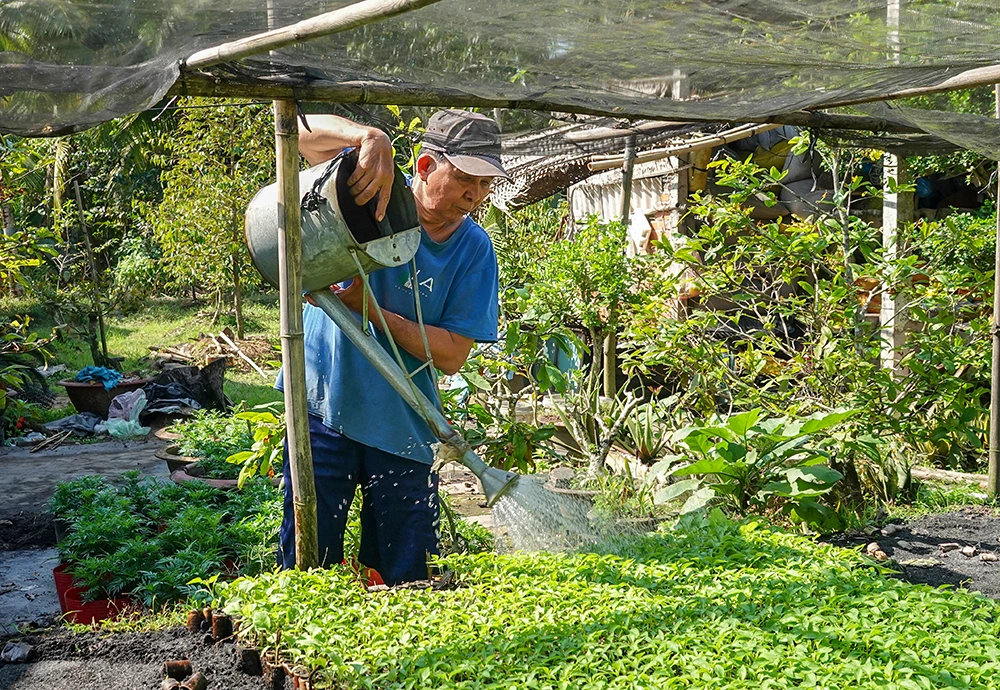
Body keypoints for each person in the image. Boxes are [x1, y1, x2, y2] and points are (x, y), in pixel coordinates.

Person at [276, 109, 507, 585]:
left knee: (407, 576)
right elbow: (297, 133)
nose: (476, 195)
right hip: (324, 407)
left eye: (486, 185)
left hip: (403, 423)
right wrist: (369, 136)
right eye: (465, 179)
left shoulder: (474, 250)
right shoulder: (370, 188)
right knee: (306, 566)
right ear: (424, 167)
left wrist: (374, 312)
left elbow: (451, 355)